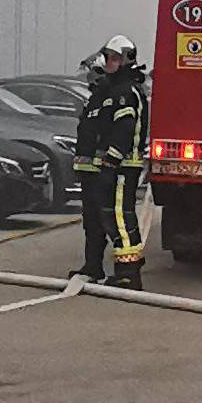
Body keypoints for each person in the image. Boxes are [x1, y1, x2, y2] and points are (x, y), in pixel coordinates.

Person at [75, 34, 151, 290]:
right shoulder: (104, 93)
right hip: (99, 169)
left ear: (125, 61)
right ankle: (92, 267)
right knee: (96, 219)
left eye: (113, 59)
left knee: (120, 217)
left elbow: (124, 130)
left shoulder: (124, 92)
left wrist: (110, 163)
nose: (106, 65)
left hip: (119, 169)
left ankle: (129, 274)